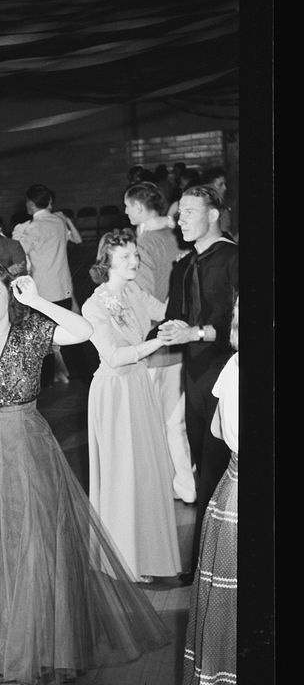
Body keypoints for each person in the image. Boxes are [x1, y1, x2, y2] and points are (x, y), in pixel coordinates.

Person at [0, 265, 171, 685]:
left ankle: (47, 638)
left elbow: (81, 331)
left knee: (38, 535)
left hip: (27, 438)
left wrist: (37, 300)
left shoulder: (31, 331)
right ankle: (6, 637)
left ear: (10, 295)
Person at [81, 230, 182, 583]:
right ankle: (124, 560)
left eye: (135, 255)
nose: (134, 262)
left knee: (146, 469)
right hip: (114, 390)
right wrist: (157, 342)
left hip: (138, 384)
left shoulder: (135, 290)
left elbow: (167, 311)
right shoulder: (93, 305)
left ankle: (148, 555)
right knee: (123, 472)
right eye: (125, 257)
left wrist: (178, 320)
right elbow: (113, 354)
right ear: (106, 262)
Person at [175, 294, 238, 685]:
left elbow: (218, 433)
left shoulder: (237, 367)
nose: (234, 320)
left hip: (234, 498)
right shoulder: (236, 366)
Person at [158, 184, 238, 567]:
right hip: (194, 374)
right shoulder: (185, 264)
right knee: (204, 462)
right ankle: (208, 562)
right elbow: (174, 316)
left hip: (227, 373)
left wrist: (198, 332)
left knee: (220, 467)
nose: (180, 220)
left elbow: (242, 326)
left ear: (212, 214)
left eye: (188, 212)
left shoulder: (235, 259)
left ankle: (223, 564)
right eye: (179, 213)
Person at [124, 181, 196, 504]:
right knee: (178, 418)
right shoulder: (176, 235)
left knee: (159, 420)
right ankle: (186, 479)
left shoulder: (144, 245)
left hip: (156, 341)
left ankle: (177, 483)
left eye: (128, 206)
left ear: (139, 207)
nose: (125, 211)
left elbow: (144, 299)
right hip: (184, 338)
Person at [11, 184, 82, 384]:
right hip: (63, 286)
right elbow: (77, 240)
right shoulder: (59, 221)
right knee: (70, 334)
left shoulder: (33, 228)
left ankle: (47, 381)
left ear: (31, 203)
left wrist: (19, 232)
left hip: (43, 291)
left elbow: (18, 252)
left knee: (43, 338)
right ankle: (79, 374)